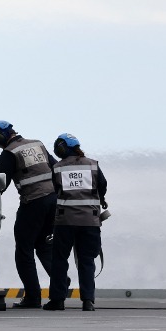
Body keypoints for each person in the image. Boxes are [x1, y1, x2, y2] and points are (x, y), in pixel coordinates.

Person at [0, 120, 58, 309]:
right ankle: (60, 282)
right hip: (53, 201)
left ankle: (33, 298)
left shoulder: (10, 152)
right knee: (44, 245)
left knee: (24, 251)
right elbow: (56, 168)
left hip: (33, 202)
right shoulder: (37, 144)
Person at [44, 134, 108, 312]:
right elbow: (102, 186)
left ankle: (57, 300)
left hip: (65, 221)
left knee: (59, 260)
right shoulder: (93, 165)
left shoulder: (57, 168)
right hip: (90, 221)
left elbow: (56, 190)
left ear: (63, 148)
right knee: (87, 260)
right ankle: (88, 301)